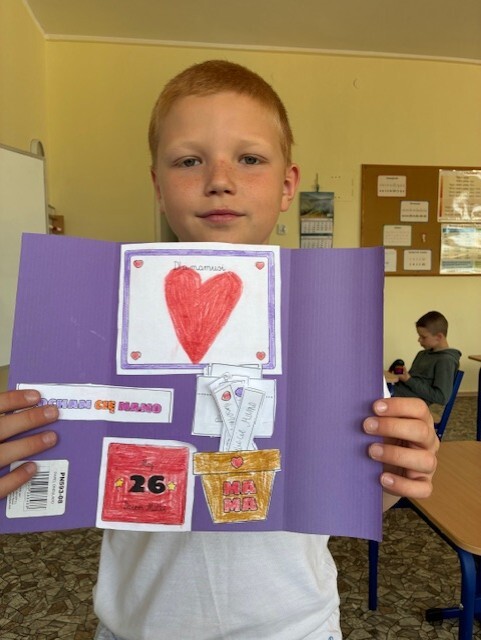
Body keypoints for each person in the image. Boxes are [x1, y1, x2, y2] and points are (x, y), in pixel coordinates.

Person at [0, 60, 438, 640]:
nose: (220, 180)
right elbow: (63, 464)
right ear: (157, 185)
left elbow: (354, 493)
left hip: (295, 627)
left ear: (288, 185)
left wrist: (399, 470)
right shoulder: (104, 319)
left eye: (250, 158)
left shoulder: (332, 335)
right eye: (189, 160)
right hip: (140, 626)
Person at [391, 310, 461, 406]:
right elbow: (413, 381)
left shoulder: (446, 361)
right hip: (400, 393)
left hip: (412, 403)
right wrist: (403, 377)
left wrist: (408, 380)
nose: (419, 340)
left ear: (439, 337)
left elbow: (441, 398)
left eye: (423, 337)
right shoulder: (422, 354)